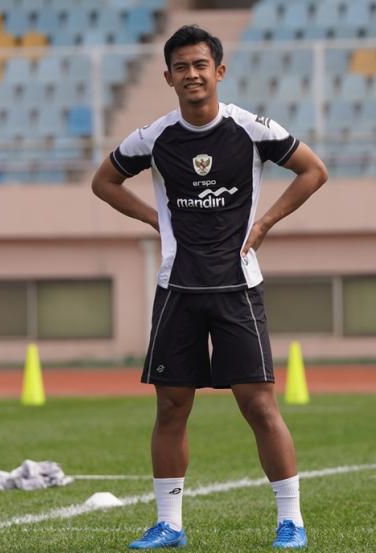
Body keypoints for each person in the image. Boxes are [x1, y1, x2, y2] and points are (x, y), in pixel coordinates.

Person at [91, 25, 328, 550]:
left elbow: (313, 171)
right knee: (171, 408)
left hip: (237, 288)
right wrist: (156, 219)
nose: (192, 74)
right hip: (177, 287)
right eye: (181, 67)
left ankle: (291, 521)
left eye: (201, 65)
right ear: (168, 76)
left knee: (259, 405)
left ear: (219, 71)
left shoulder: (250, 128)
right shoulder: (155, 137)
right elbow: (103, 181)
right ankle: (169, 525)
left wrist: (264, 224)